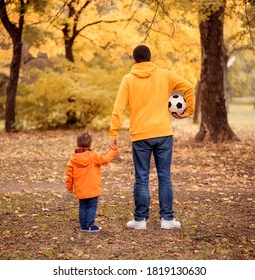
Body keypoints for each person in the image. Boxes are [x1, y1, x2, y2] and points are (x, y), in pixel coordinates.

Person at [109, 45, 194, 230]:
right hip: (163, 134)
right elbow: (189, 87)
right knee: (164, 176)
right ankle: (167, 219)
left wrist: (113, 133)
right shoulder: (165, 74)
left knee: (141, 177)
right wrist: (188, 111)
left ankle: (140, 220)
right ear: (150, 58)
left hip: (140, 136)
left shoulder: (128, 79)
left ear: (134, 60)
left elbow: (119, 108)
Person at [66, 132, 118, 232]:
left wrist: (69, 187)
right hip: (92, 188)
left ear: (77, 144)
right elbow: (106, 158)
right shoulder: (94, 156)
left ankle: (83, 226)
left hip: (80, 189)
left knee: (82, 207)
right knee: (92, 207)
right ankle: (90, 225)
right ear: (90, 144)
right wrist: (113, 150)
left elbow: (69, 174)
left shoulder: (73, 159)